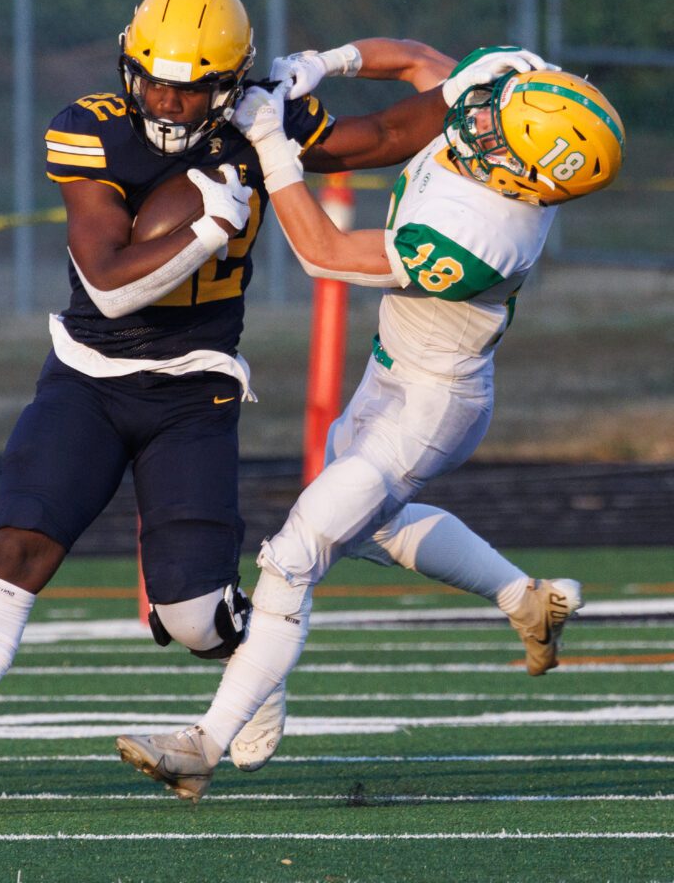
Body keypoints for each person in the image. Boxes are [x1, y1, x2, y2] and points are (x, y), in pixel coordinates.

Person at [0, 0, 537, 818]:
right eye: (154, 78)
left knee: (191, 619)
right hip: (90, 372)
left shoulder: (260, 119)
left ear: (229, 80)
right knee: (18, 547)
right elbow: (108, 286)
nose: (169, 100)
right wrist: (205, 232)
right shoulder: (90, 128)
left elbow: (390, 130)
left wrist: (502, 94)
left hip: (195, 386)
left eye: (190, 85)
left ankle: (247, 652)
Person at [114, 53, 626, 801]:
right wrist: (327, 62)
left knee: (294, 557)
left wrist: (274, 150)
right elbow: (421, 65)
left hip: (433, 405)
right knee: (371, 529)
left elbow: (324, 254)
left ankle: (206, 743)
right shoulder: (508, 109)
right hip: (391, 372)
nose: (478, 120)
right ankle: (525, 599)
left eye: (500, 132)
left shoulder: (487, 237)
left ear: (532, 177)